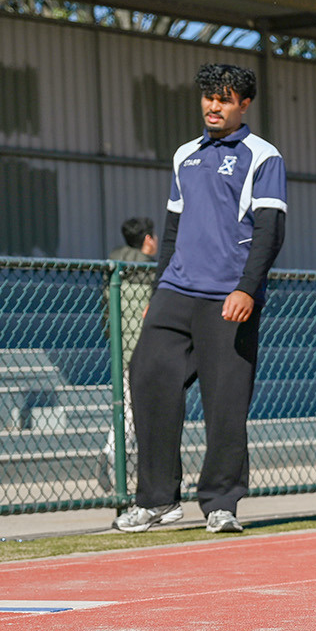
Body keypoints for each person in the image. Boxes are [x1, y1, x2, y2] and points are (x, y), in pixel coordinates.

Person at [115, 63, 286, 534]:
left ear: (244, 104)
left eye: (225, 99)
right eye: (209, 97)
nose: (214, 106)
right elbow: (171, 230)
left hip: (228, 297)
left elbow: (270, 231)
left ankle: (221, 503)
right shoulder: (184, 155)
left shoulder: (262, 156)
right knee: (147, 378)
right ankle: (155, 500)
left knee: (226, 402)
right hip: (176, 292)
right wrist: (158, 289)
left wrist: (247, 289)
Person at [102, 216, 157, 487]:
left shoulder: (114, 268)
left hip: (121, 345)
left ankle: (117, 463)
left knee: (128, 406)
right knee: (137, 411)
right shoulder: (151, 272)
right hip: (145, 348)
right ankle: (115, 458)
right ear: (148, 239)